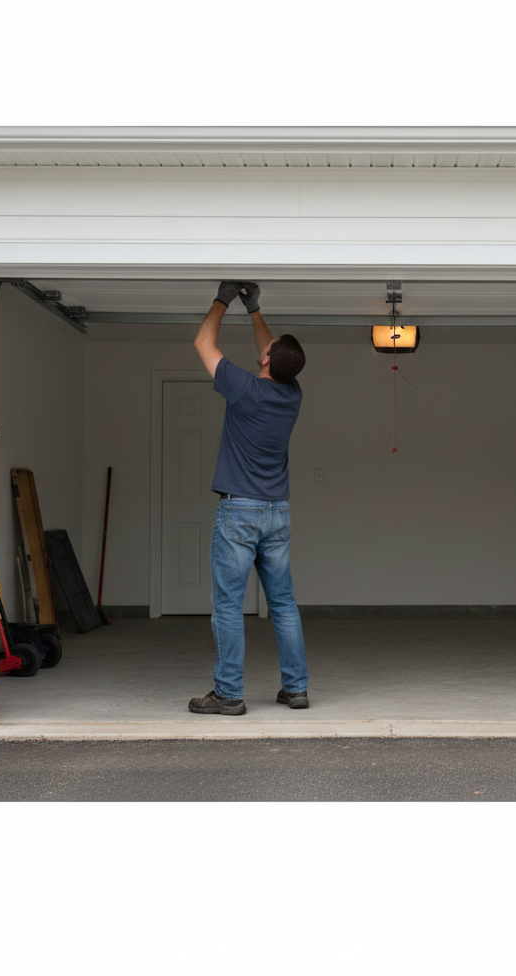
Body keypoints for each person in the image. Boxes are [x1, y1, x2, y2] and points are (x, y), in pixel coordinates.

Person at [188, 280, 310, 716]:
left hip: (239, 511)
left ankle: (228, 694)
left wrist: (223, 300)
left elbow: (203, 341)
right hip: (277, 512)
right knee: (283, 603)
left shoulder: (243, 389)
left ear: (264, 361)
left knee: (227, 604)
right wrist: (255, 310)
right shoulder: (291, 394)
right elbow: (273, 353)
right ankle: (296, 689)